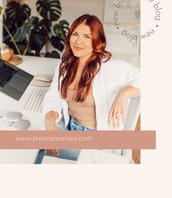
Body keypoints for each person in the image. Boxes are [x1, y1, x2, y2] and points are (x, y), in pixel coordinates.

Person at [41, 14, 140, 159]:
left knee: (39, 158)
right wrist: (50, 122)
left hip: (95, 141)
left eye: (87, 36)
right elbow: (53, 95)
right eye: (75, 34)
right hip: (70, 129)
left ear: (96, 41)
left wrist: (124, 93)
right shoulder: (65, 65)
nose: (79, 41)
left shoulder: (112, 68)